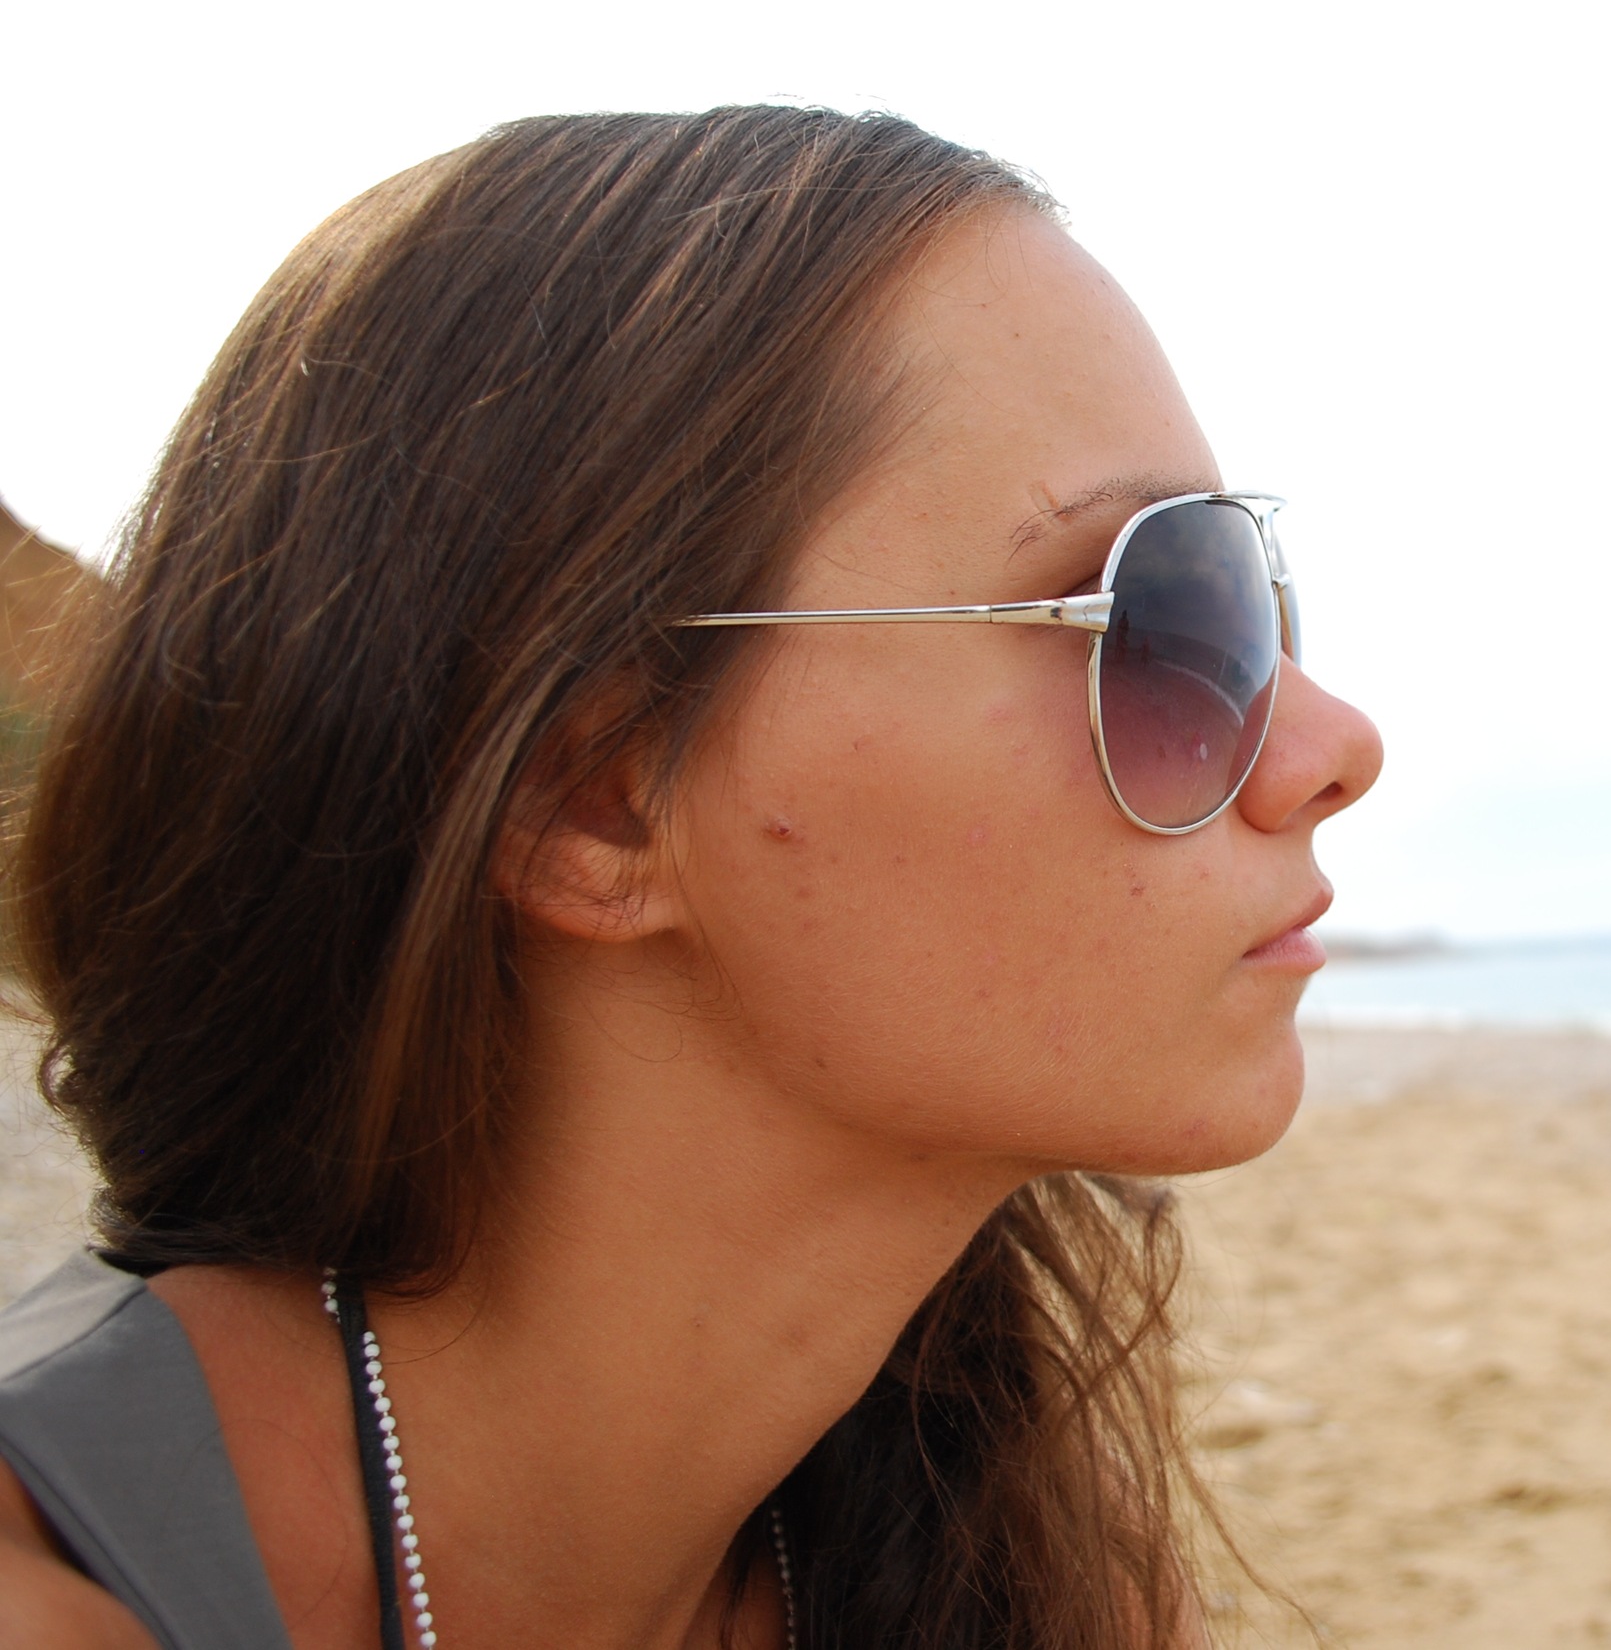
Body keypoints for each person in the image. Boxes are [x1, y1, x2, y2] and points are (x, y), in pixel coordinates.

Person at [0, 106, 1382, 1649]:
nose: (1334, 742)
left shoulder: (1011, 1568)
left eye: (1247, 600)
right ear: (595, 799)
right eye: (1156, 615)